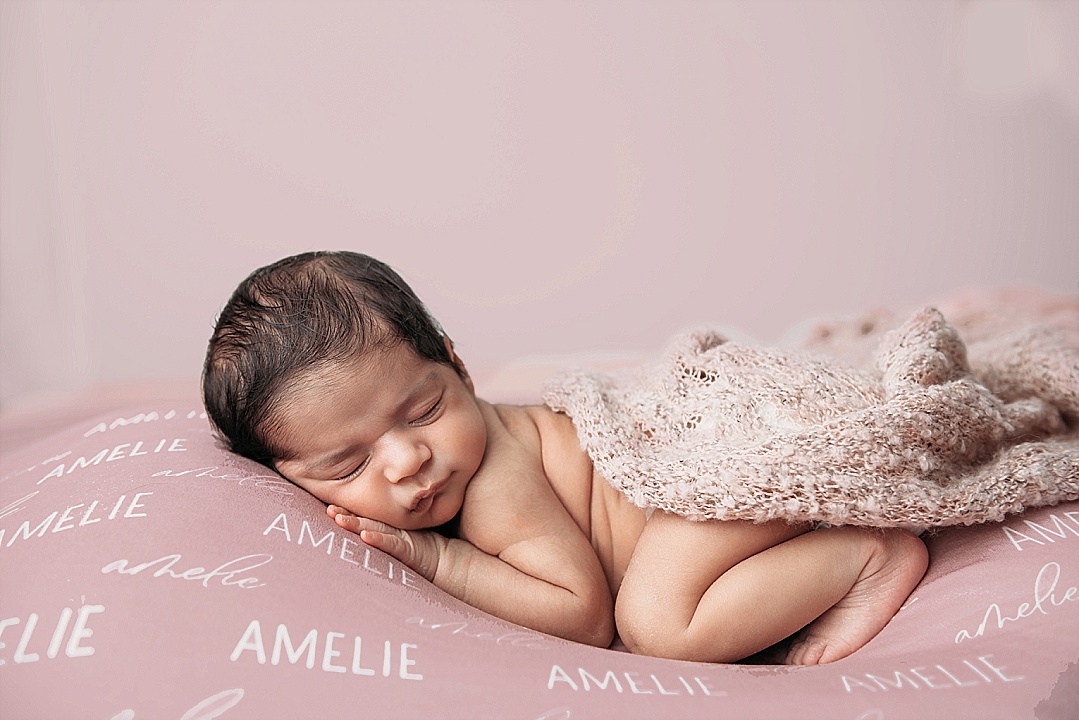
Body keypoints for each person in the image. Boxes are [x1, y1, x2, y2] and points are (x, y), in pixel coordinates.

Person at [202, 250, 928, 664]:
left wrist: (439, 561)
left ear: (457, 367)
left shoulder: (491, 478)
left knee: (655, 626)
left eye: (424, 410)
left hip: (715, 476)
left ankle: (866, 557)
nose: (406, 461)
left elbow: (582, 615)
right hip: (703, 512)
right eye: (344, 466)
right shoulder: (427, 460)